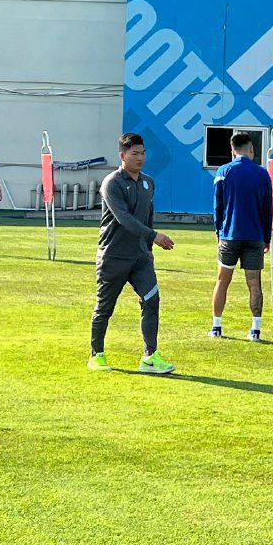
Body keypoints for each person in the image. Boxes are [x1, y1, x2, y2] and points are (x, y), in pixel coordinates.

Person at [89, 133, 176, 374]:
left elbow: (147, 215)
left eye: (143, 152)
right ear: (122, 156)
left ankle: (150, 357)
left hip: (140, 258)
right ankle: (97, 355)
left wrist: (147, 251)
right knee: (104, 307)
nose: (140, 157)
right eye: (134, 153)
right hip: (113, 256)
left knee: (151, 301)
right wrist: (154, 236)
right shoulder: (112, 182)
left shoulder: (148, 182)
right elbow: (124, 218)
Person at [210, 132, 273, 342]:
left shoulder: (223, 171)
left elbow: (217, 206)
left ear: (232, 151)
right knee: (254, 283)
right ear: (252, 150)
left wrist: (218, 231)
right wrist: (266, 237)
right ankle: (255, 330)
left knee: (222, 281)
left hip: (230, 234)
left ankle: (216, 326)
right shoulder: (263, 174)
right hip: (255, 236)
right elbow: (268, 208)